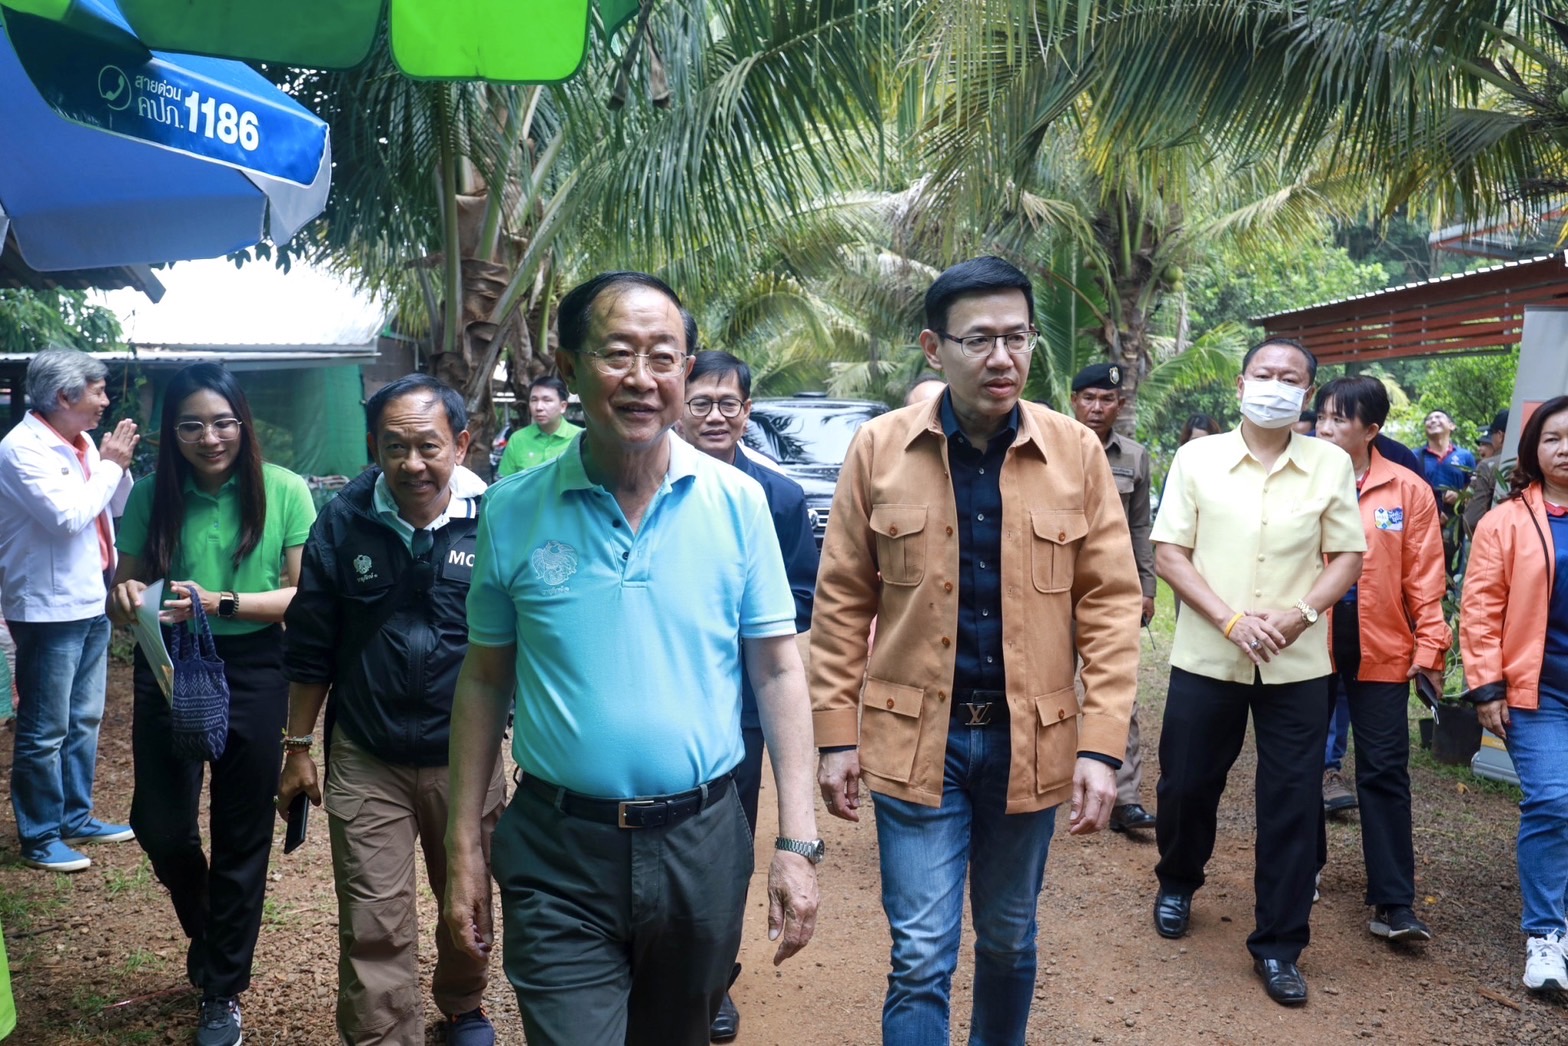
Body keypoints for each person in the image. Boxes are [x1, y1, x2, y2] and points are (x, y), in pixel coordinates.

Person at [443, 272, 821, 1046]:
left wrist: (796, 842)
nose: (642, 378)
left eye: (663, 356)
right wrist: (462, 848)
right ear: (570, 366)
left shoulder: (739, 502)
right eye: (618, 354)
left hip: (702, 843)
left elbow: (779, 671)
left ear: (687, 370)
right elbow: (483, 680)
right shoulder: (513, 510)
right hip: (558, 848)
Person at [813, 256, 1141, 1044]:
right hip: (914, 734)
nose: (1002, 357)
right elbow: (843, 598)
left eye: (1017, 338)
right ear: (935, 348)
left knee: (1009, 938)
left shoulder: (1075, 452)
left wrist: (1101, 748)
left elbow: (1110, 604)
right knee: (921, 954)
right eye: (980, 339)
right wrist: (835, 736)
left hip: (1031, 740)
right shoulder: (879, 449)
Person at [277, 374, 503, 1045]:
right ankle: (382, 1035)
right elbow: (312, 642)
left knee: (467, 895)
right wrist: (298, 748)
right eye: (395, 447)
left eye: (429, 446)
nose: (412, 464)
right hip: (367, 753)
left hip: (465, 756)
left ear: (461, 444)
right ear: (374, 447)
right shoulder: (342, 522)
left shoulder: (497, 521)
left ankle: (462, 1003)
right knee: (373, 918)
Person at [1150, 337, 1365, 1007]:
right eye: (1264, 374)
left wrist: (1301, 615)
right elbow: (1170, 552)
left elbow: (1347, 556)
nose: (1275, 385)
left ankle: (1279, 944)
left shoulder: (1329, 463)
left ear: (1308, 394)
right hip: (1208, 655)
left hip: (1296, 663)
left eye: (1289, 378)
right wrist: (1230, 620)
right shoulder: (1197, 458)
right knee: (1187, 783)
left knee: (1293, 802)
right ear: (1241, 385)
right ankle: (1178, 880)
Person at [107, 363, 316, 1046]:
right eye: (191, 425)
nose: (210, 437)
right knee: (160, 825)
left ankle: (222, 988)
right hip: (169, 663)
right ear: (171, 432)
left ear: (243, 423)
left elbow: (300, 597)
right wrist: (124, 597)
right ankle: (211, 931)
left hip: (255, 666)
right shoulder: (151, 495)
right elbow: (123, 591)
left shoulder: (284, 489)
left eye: (223, 422)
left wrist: (220, 602)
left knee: (240, 834)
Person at [674, 348, 818, 1043]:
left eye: (727, 404)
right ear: (679, 406)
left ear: (747, 411)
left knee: (728, 843)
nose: (714, 416)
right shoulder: (650, 484)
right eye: (701, 403)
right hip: (670, 695)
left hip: (744, 706)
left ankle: (716, 978)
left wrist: (731, 617)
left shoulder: (778, 498)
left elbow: (802, 596)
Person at [1313, 376, 1446, 944]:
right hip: (1306, 642)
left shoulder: (1408, 489)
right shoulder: (1297, 478)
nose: (1324, 428)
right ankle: (1301, 870)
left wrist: (1431, 646)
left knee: (1385, 771)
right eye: (1321, 416)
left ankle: (1394, 902)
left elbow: (1425, 577)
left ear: (1372, 429)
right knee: (1299, 765)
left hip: (1384, 646)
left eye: (1339, 419)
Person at [0, 347, 139, 873]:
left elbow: (114, 505)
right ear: (64, 396)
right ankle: (39, 836)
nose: (105, 401)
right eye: (97, 391)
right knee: (44, 728)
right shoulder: (21, 449)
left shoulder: (81, 442)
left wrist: (113, 468)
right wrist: (111, 466)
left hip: (91, 598)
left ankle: (75, 817)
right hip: (48, 608)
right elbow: (68, 516)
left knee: (83, 718)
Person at [1461, 394, 1568, 993]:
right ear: (1533, 449)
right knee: (1553, 799)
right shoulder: (1506, 521)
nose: (1566, 449)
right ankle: (1546, 934)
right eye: (1553, 438)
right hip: (1538, 690)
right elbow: (1480, 608)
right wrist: (1486, 685)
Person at [1069, 361, 1157, 835]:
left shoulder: (1135, 457)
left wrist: (1146, 587)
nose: (1097, 407)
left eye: (1107, 399)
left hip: (1109, 589)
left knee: (1119, 692)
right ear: (1074, 401)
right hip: (1051, 586)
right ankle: (1036, 786)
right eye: (1089, 398)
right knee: (1042, 688)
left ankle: (1125, 799)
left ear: (1119, 406)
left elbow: (1139, 526)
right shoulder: (1050, 445)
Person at [495, 375, 580, 477]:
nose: (539, 407)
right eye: (534, 400)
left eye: (547, 400)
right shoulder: (517, 440)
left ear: (563, 406)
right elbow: (505, 482)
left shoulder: (580, 438)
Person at [1463, 409, 1509, 535]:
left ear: (1500, 436)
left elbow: (1472, 520)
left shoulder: (1488, 466)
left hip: (1494, 539)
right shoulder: (1538, 463)